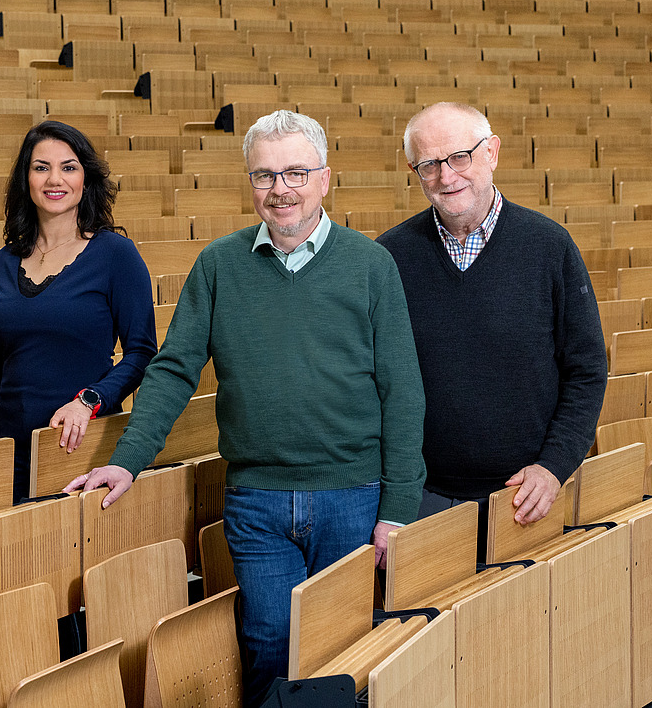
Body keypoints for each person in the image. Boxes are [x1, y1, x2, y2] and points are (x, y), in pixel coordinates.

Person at [64, 110, 426, 705]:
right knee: (267, 642)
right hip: (256, 498)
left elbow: (403, 390)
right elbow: (175, 368)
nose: (279, 189)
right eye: (264, 176)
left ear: (325, 179)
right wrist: (128, 460)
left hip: (353, 494)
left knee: (344, 648)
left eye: (294, 173)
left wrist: (398, 509)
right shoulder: (218, 265)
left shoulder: (370, 265)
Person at [377, 102, 606, 538]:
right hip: (424, 501)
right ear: (415, 171)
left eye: (459, 157)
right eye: (429, 164)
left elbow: (587, 372)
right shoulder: (390, 257)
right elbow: (376, 387)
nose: (447, 176)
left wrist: (553, 467)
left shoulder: (550, 247)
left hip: (526, 497)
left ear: (492, 153)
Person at [0, 121, 157, 502]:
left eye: (68, 167)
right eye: (41, 167)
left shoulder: (116, 255)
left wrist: (89, 400)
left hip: (75, 449)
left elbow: (142, 354)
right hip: (7, 449)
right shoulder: (3, 262)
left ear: (85, 179)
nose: (54, 179)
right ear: (26, 178)